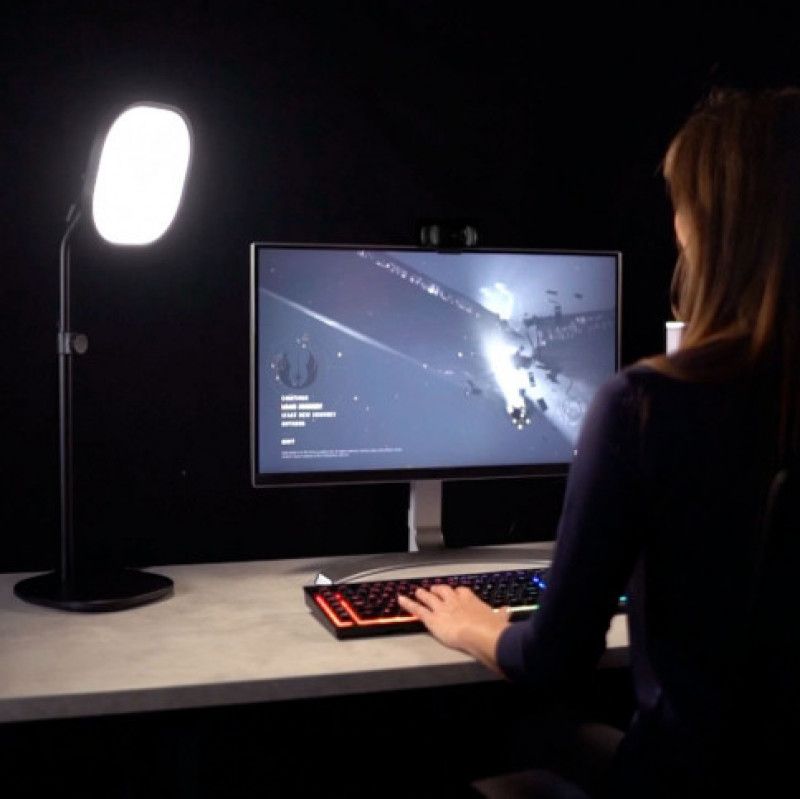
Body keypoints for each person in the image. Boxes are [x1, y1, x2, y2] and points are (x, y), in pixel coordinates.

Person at [398, 87, 800, 798]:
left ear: (707, 228)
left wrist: (475, 626)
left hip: (680, 779)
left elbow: (554, 661)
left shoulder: (646, 406)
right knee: (544, 742)